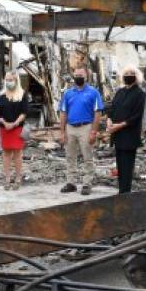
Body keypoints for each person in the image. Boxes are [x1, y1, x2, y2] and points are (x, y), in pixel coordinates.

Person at [58, 67, 104, 195]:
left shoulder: (93, 92)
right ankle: (71, 183)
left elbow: (98, 113)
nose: (78, 77)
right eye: (76, 75)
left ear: (86, 76)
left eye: (81, 75)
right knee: (70, 156)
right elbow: (63, 112)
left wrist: (94, 131)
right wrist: (62, 131)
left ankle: (87, 183)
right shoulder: (68, 93)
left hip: (86, 127)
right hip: (70, 127)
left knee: (87, 157)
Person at [107, 66, 146, 194]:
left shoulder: (140, 93)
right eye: (126, 73)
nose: (129, 75)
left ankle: (125, 192)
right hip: (117, 134)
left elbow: (136, 115)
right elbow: (112, 108)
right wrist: (109, 120)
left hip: (129, 134)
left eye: (132, 73)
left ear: (137, 76)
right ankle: (121, 190)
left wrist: (120, 125)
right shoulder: (120, 91)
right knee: (120, 164)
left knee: (127, 165)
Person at [0, 72, 29, 190]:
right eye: (7, 80)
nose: (9, 82)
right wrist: (5, 123)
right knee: (6, 153)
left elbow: (24, 112)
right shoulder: (1, 96)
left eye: (11, 80)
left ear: (16, 81)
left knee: (17, 153)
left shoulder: (22, 94)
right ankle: (7, 178)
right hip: (4, 128)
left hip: (17, 128)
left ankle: (18, 178)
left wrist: (14, 123)